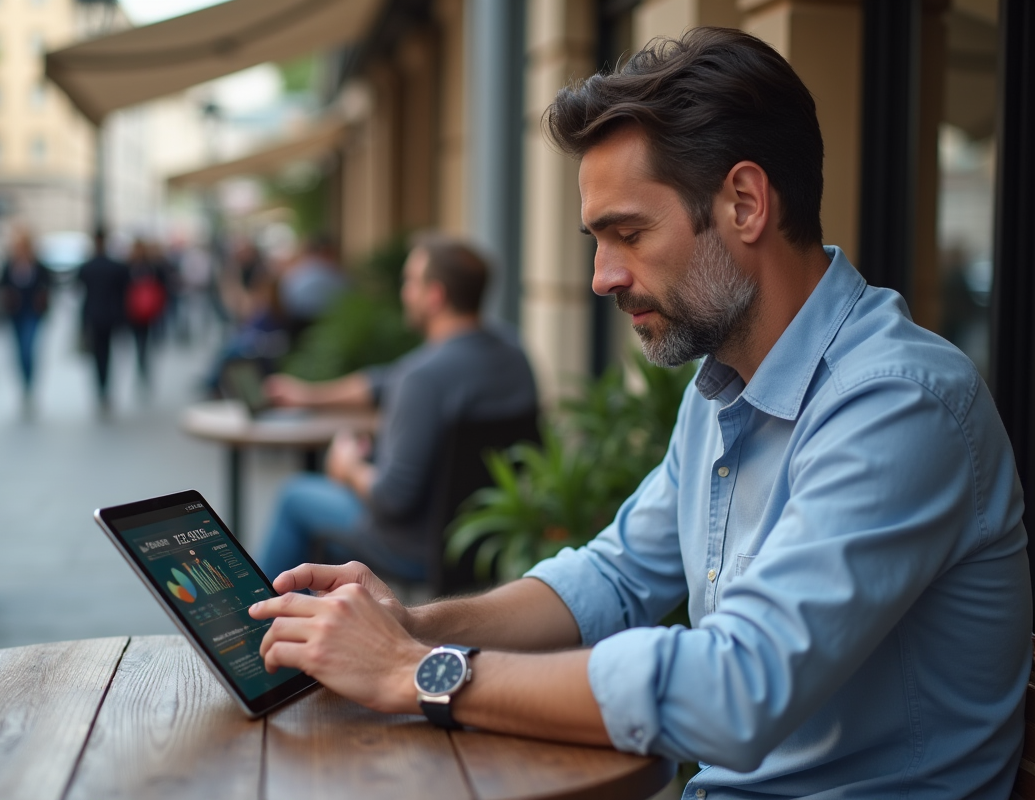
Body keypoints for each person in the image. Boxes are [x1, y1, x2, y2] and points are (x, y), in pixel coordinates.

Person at [247, 28, 1030, 799]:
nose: (602, 277)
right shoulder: (725, 386)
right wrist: (416, 627)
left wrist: (417, 672)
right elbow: (614, 577)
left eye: (628, 233)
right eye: (598, 240)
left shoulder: (898, 402)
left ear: (745, 204)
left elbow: (737, 686)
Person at [256, 234, 539, 583]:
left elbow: (391, 499)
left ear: (434, 295)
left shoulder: (422, 378)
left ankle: (260, 613)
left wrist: (348, 467)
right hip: (488, 543)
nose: (405, 293)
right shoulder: (514, 355)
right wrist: (307, 396)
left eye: (410, 282)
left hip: (412, 548)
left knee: (294, 496)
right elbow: (381, 383)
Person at [0, 228, 52, 413]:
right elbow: (2, 285)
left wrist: (41, 299)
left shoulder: (37, 265)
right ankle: (24, 385)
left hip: (32, 313)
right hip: (16, 314)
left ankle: (30, 385)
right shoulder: (9, 265)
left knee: (28, 349)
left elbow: (47, 285)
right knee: (19, 351)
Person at [78, 229, 129, 414]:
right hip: (111, 316)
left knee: (98, 355)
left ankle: (101, 388)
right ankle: (104, 388)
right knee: (106, 353)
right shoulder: (116, 267)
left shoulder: (87, 267)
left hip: (94, 316)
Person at [125, 238, 169, 388]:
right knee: (139, 341)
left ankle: (143, 366)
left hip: (149, 310)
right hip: (134, 310)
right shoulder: (129, 266)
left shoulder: (152, 266)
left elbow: (162, 285)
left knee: (145, 341)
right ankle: (142, 365)